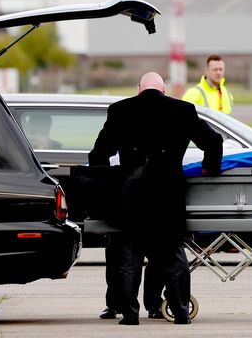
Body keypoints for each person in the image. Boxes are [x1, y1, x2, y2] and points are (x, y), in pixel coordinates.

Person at [89, 72, 222, 326]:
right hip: (168, 194)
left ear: (139, 89)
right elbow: (213, 142)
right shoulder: (183, 110)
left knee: (130, 256)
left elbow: (98, 154)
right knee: (173, 254)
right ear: (164, 89)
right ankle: (181, 312)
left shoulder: (119, 110)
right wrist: (209, 169)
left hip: (131, 194)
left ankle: (130, 315)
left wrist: (108, 180)